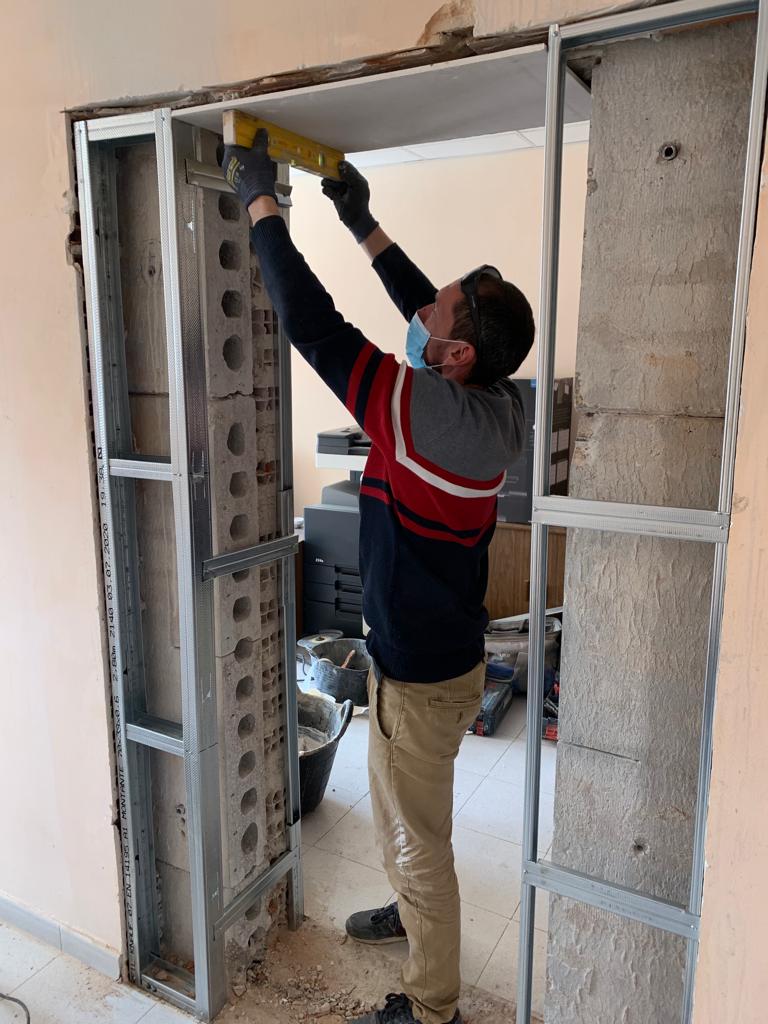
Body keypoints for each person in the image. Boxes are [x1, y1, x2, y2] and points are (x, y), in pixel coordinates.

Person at [221, 131, 534, 1024]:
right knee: (412, 819)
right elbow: (428, 310)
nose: (425, 311)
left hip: (422, 677)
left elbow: (315, 326)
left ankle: (432, 1007)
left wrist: (262, 207)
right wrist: (365, 226)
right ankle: (411, 907)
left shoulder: (421, 410)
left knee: (419, 837)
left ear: (456, 358)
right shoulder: (499, 403)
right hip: (441, 658)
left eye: (442, 313)